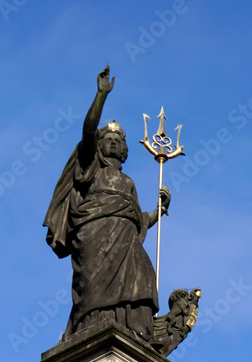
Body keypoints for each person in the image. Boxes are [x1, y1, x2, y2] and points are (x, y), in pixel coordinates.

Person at [44, 66, 170, 342]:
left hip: (126, 242)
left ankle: (134, 332)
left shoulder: (128, 183)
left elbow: (136, 219)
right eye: (108, 139)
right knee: (92, 289)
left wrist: (159, 211)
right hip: (95, 236)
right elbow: (88, 131)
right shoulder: (91, 168)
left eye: (117, 141)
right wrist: (100, 96)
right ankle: (91, 326)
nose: (112, 143)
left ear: (124, 150)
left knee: (144, 277)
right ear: (99, 146)